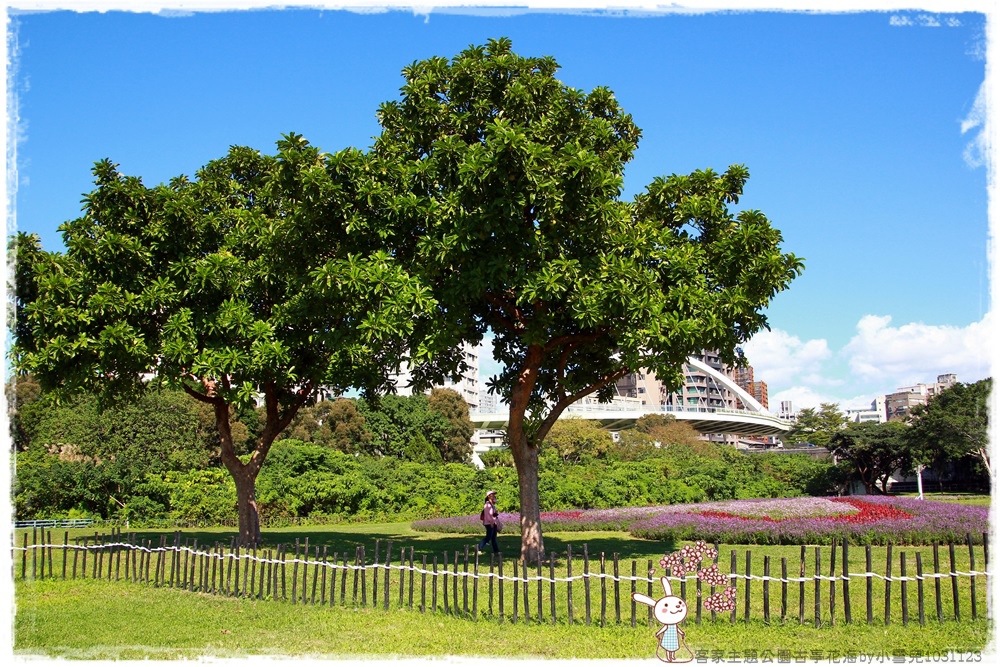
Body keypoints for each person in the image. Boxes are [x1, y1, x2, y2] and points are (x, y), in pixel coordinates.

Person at [477, 490, 500, 554]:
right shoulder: (487, 505)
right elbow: (488, 515)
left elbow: (495, 502)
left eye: (494, 495)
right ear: (488, 496)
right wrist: (491, 523)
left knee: (493, 538)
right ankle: (479, 548)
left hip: (493, 522)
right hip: (489, 523)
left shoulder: (492, 504)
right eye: (492, 495)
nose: (493, 496)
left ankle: (496, 551)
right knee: (488, 537)